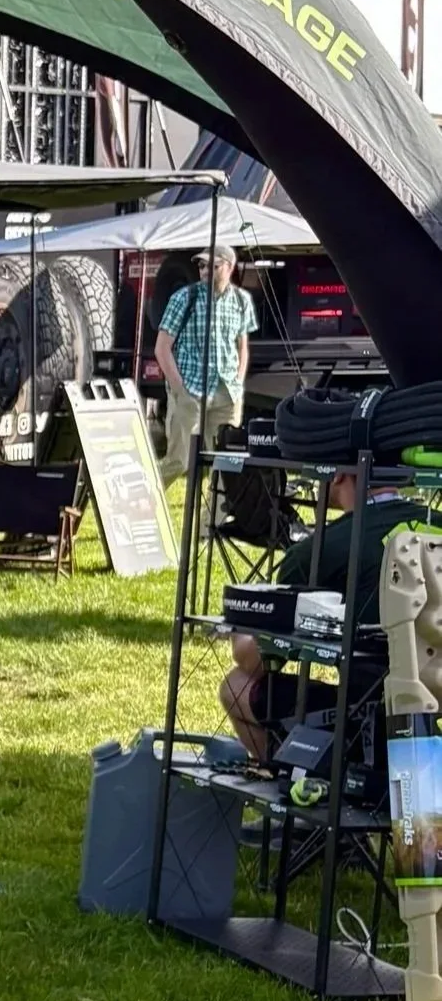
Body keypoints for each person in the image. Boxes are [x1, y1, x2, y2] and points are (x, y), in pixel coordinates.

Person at [220, 468, 430, 763]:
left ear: (339, 474)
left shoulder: (320, 550)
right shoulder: (433, 522)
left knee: (235, 685)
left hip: (370, 727)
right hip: (431, 717)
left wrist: (239, 622)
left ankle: (297, 785)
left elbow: (253, 660)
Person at [154, 247, 254, 485]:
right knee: (179, 461)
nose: (205, 271)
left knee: (225, 466)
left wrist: (238, 383)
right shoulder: (183, 298)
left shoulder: (242, 300)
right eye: (201, 266)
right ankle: (141, 506)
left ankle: (212, 522)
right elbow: (161, 348)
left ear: (229, 267)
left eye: (213, 266)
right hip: (191, 389)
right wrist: (179, 389)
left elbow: (242, 347)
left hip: (227, 392)